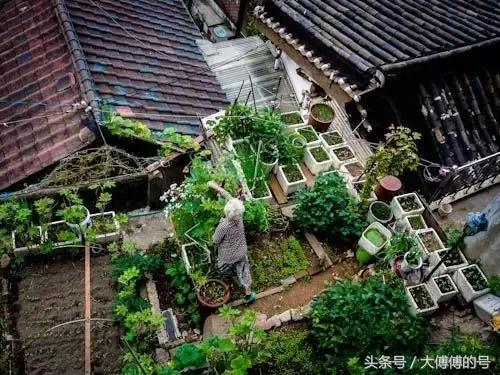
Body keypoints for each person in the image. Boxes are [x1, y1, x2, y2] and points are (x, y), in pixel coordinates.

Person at [212, 197, 256, 304]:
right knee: (244, 270)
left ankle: (223, 276)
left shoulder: (224, 226)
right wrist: (217, 187)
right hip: (241, 251)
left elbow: (215, 240)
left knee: (222, 268)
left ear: (226, 212)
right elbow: (231, 199)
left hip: (228, 255)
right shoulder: (239, 218)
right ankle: (248, 293)